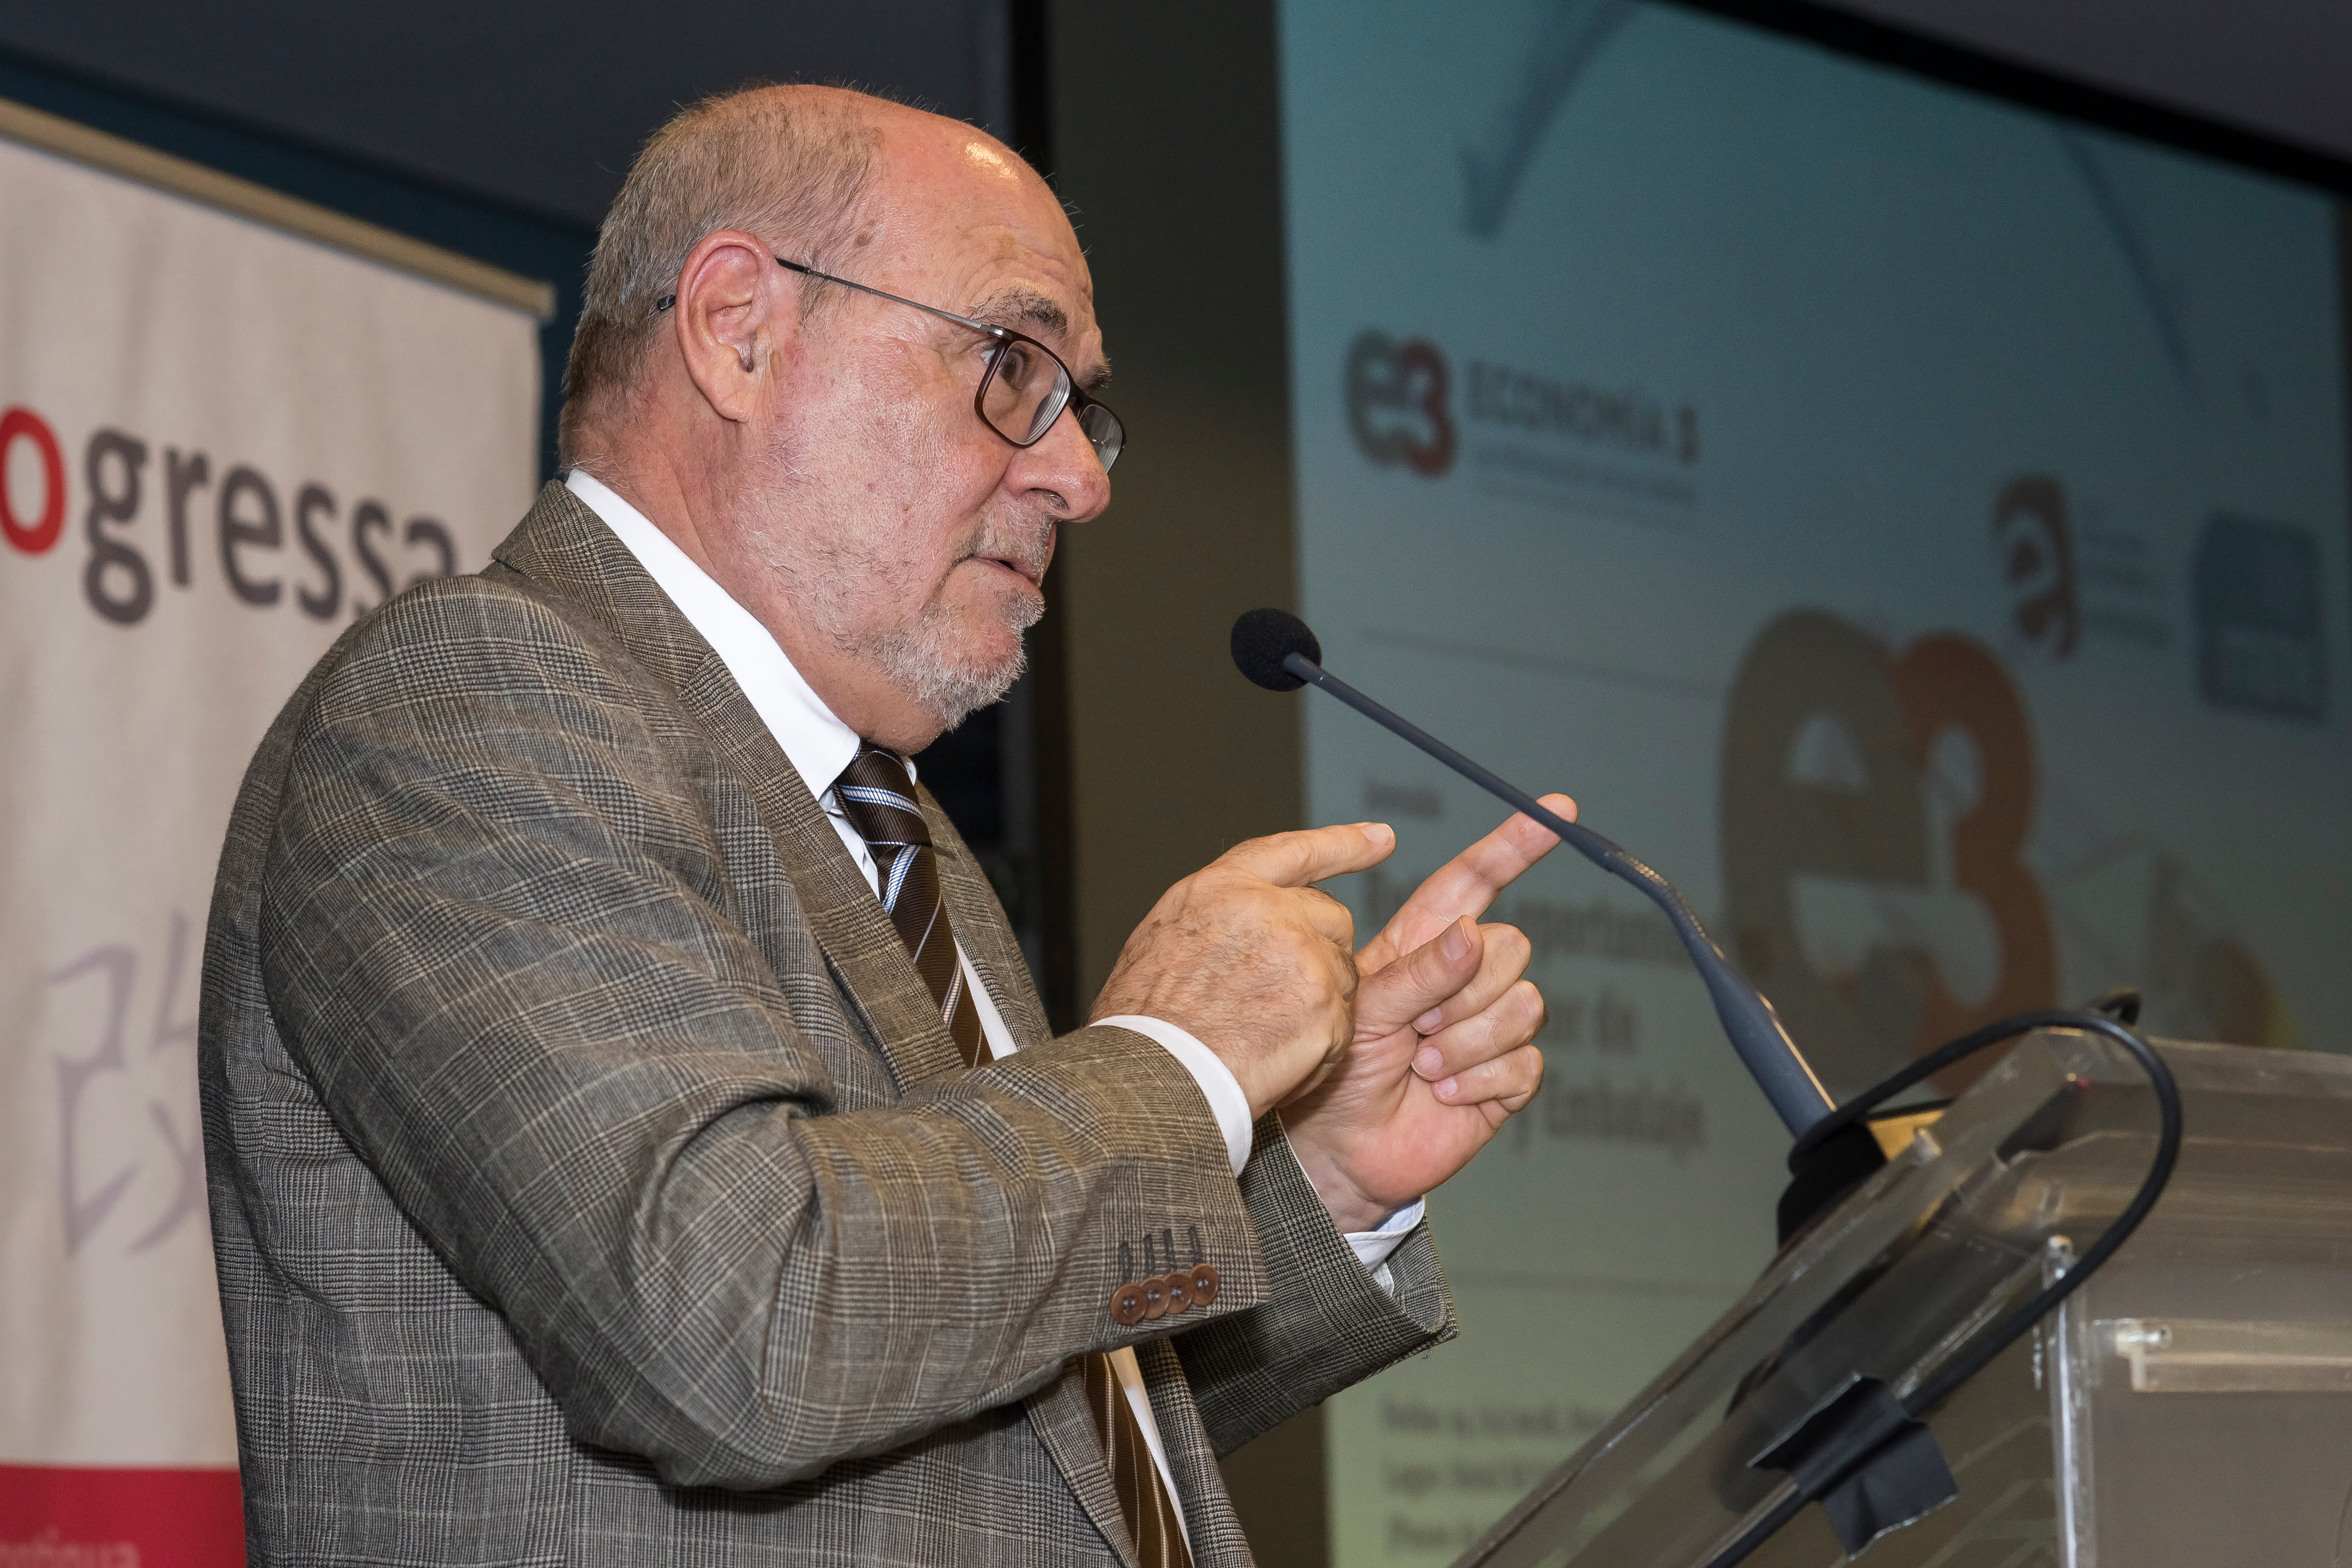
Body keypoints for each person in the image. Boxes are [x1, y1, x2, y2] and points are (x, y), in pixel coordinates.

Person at [199, 84, 1569, 1567]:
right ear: (738, 329)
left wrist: (1316, 1185)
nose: (1081, 477)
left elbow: (1000, 1450)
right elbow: (737, 1328)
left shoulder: (892, 826)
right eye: (1012, 364)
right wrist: (1180, 1068)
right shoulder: (471, 702)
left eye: (1081, 403)